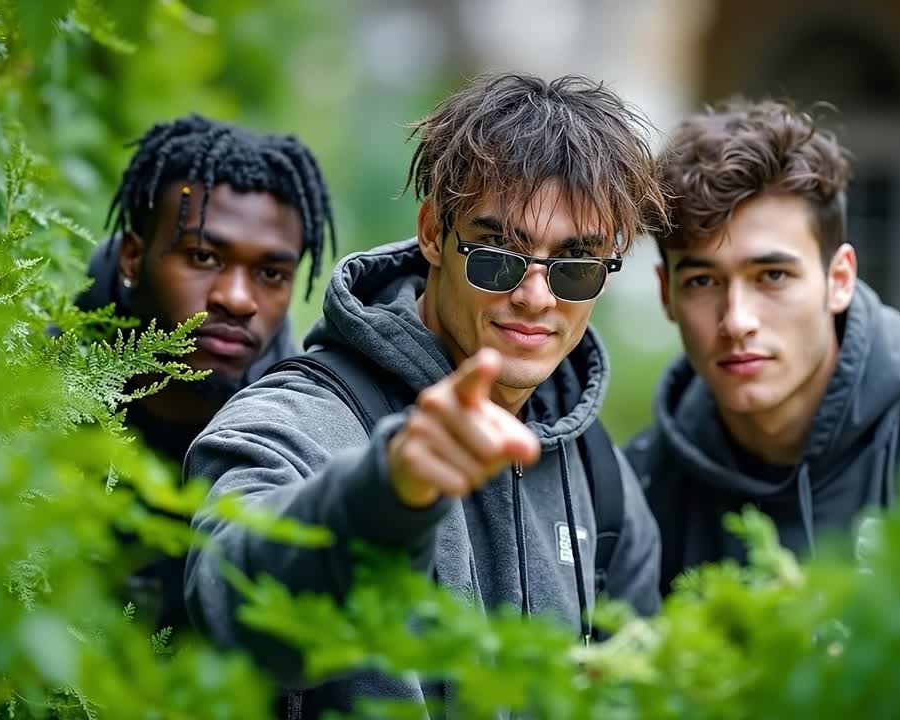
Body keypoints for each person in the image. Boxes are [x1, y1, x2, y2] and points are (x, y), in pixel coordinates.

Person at [184, 73, 667, 716]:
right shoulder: (297, 420)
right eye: (498, 254)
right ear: (433, 234)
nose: (535, 297)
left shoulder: (600, 476)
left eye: (576, 266)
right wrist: (386, 495)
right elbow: (228, 602)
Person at [625, 98, 900, 595]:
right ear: (667, 294)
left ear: (840, 280)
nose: (737, 321)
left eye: (772, 276)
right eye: (703, 281)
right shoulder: (636, 488)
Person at [75, 113, 335, 629]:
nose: (237, 299)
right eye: (202, 256)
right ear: (133, 257)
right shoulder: (46, 378)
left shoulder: (299, 434)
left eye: (271, 273)